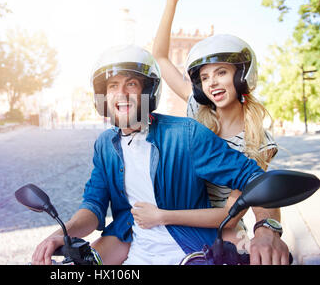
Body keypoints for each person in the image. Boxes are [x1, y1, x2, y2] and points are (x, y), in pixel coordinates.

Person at [31, 43, 286, 265]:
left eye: (131, 84)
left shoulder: (186, 134)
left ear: (148, 91)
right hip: (130, 242)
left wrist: (266, 229)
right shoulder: (104, 144)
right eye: (112, 86)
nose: (121, 93)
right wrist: (61, 233)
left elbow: (252, 178)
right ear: (103, 97)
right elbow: (94, 206)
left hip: (193, 246)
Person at [149, 0, 288, 264]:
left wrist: (267, 228)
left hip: (218, 228)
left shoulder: (256, 139)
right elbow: (159, 55)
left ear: (241, 77)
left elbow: (244, 205)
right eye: (205, 76)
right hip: (173, 217)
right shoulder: (196, 109)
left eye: (221, 72)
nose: (211, 82)